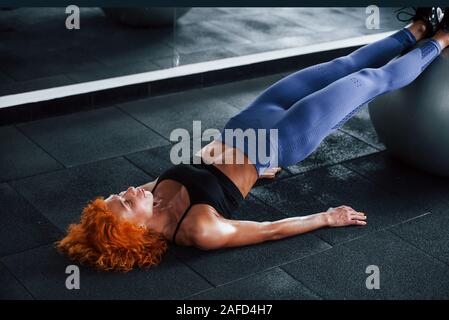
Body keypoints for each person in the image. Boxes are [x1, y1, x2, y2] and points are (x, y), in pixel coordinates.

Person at [56, 8, 449, 272]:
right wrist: (328, 218)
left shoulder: (150, 195)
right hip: (285, 139)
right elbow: (268, 230)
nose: (128, 189)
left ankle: (419, 26)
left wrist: (248, 174)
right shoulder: (197, 230)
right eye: (124, 202)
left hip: (248, 120)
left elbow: (203, 168)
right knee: (367, 82)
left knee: (340, 66)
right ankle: (443, 38)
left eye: (118, 193)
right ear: (136, 232)